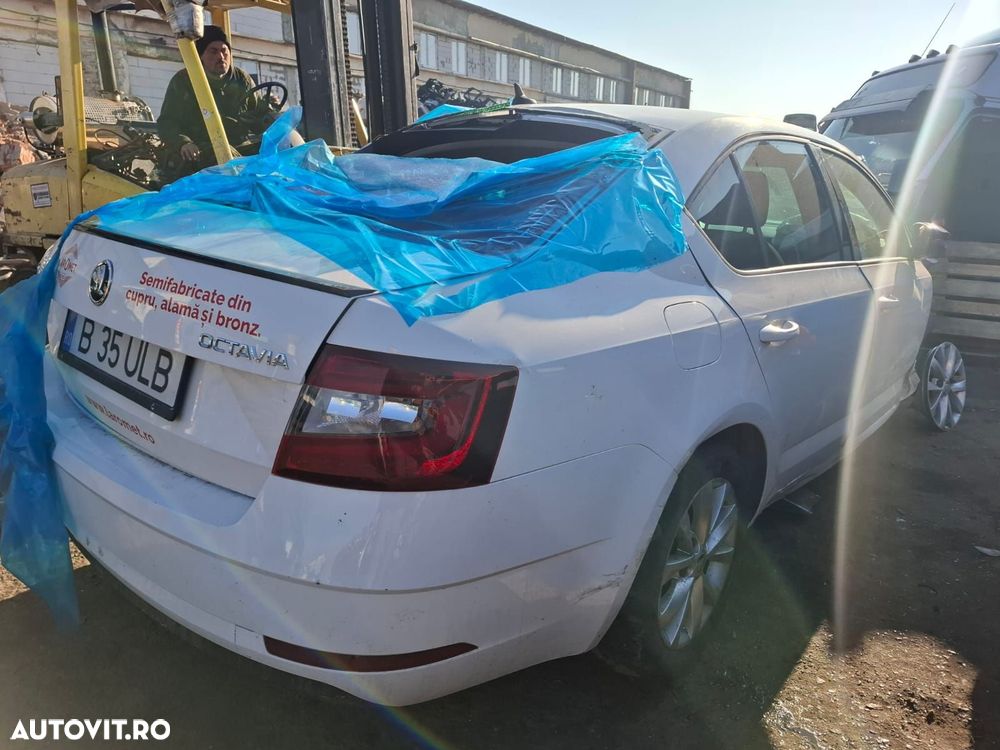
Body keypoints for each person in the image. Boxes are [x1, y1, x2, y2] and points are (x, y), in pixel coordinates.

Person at [156, 25, 255, 177]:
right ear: (200, 55)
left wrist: (272, 114)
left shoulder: (242, 79)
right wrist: (183, 142)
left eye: (224, 51)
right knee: (221, 157)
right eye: (213, 51)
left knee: (275, 148)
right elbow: (167, 122)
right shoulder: (183, 81)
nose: (221, 57)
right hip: (201, 149)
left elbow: (258, 112)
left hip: (238, 146)